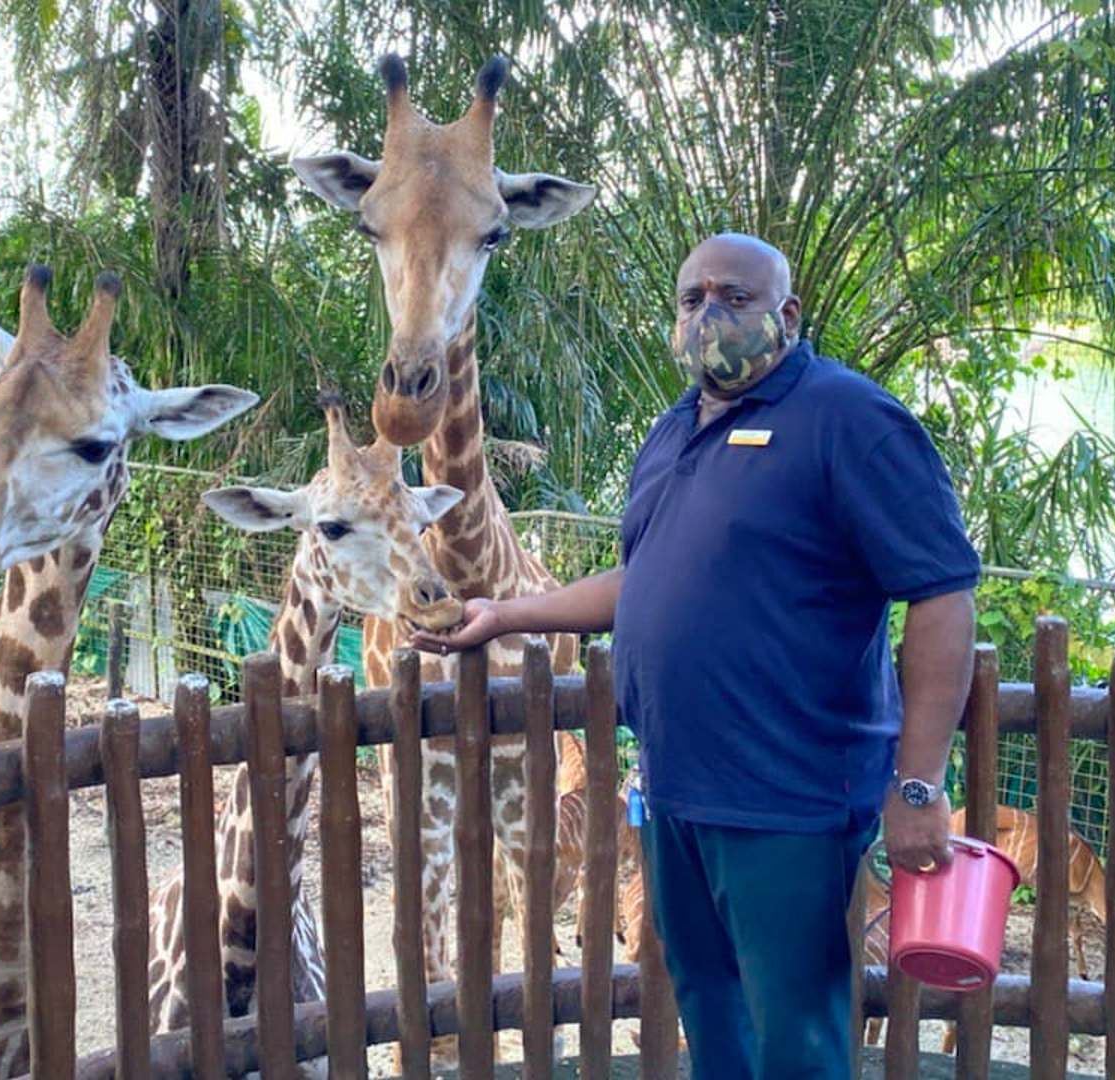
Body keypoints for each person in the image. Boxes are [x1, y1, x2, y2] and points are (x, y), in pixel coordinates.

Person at [410, 232, 980, 1079]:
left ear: (787, 314)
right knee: (711, 1013)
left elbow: (941, 593)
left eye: (734, 298)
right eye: (692, 299)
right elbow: (643, 576)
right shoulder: (674, 431)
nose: (708, 315)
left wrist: (920, 784)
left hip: (792, 804)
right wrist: (506, 613)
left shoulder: (849, 420)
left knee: (797, 1039)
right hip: (677, 796)